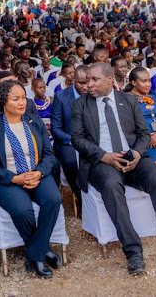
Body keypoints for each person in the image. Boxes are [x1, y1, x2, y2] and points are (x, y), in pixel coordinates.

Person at [70, 63, 156, 274]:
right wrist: (104, 156)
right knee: (111, 186)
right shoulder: (80, 104)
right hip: (102, 161)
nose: (89, 85)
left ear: (109, 79)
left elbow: (143, 134)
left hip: (132, 156)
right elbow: (77, 139)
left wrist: (137, 154)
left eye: (94, 80)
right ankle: (133, 251)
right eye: (87, 80)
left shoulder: (128, 100)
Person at [0, 81, 62, 278]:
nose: (22, 102)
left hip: (35, 173)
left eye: (23, 97)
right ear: (3, 102)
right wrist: (15, 179)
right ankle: (41, 253)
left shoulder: (35, 121)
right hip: (6, 179)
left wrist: (38, 173)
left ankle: (35, 253)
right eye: (15, 99)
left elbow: (49, 155)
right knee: (22, 209)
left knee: (54, 199)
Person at [50, 65, 89, 209]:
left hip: (92, 140)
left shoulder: (95, 93)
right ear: (73, 80)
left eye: (87, 82)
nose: (85, 87)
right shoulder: (61, 96)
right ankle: (80, 196)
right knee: (71, 162)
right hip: (68, 141)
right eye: (81, 83)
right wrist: (73, 141)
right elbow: (55, 128)